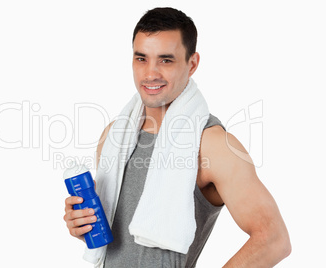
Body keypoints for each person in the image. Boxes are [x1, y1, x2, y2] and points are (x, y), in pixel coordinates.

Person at [63, 7, 291, 267]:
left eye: (166, 60)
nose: (150, 74)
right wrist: (82, 226)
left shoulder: (212, 145)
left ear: (192, 64)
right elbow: (123, 244)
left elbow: (274, 240)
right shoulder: (113, 136)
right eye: (141, 59)